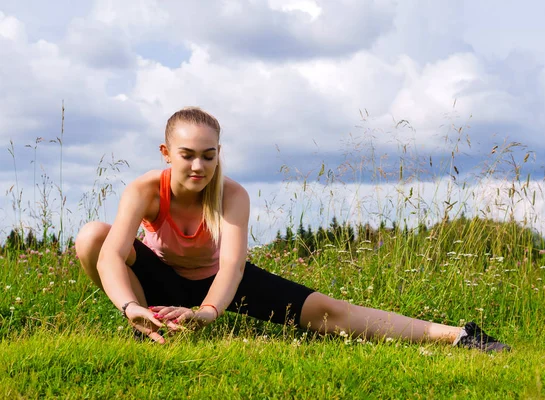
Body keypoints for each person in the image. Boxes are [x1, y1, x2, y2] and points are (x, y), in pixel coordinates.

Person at [75, 107, 510, 352]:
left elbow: (232, 266)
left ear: (219, 153)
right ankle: (147, 326)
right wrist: (131, 305)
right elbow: (112, 253)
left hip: (219, 286)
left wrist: (208, 313)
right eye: (187, 154)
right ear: (166, 152)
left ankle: (459, 336)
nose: (198, 166)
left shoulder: (232, 194)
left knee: (332, 312)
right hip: (160, 282)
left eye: (209, 155)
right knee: (92, 236)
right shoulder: (146, 190)